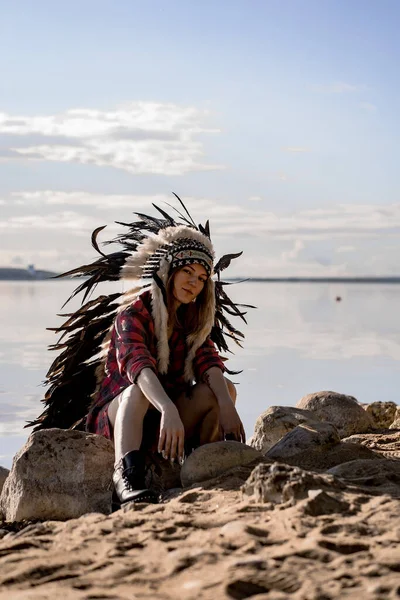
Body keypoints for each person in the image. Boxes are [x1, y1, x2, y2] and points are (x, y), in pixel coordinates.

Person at [29, 197, 250, 506]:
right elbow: (139, 367)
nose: (195, 283)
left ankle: (202, 463)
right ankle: (127, 476)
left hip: (165, 425)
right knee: (137, 391)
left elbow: (207, 361)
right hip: (124, 417)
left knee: (222, 387)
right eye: (188, 272)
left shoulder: (192, 320)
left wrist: (227, 405)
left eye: (202, 278)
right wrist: (168, 409)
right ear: (168, 271)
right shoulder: (132, 314)